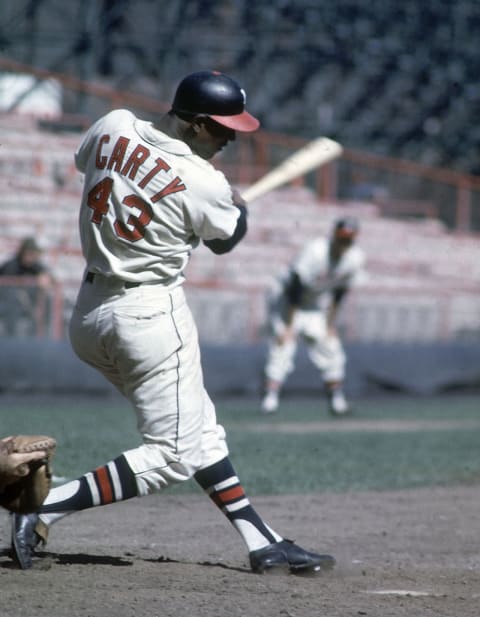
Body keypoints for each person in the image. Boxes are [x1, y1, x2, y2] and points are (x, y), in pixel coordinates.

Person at [10, 71, 335, 574]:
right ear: (198, 124)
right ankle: (48, 505)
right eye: (224, 129)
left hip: (90, 315)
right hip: (149, 319)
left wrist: (212, 198)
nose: (230, 139)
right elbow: (226, 240)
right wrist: (237, 210)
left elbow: (89, 165)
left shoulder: (113, 123)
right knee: (173, 454)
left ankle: (262, 542)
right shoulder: (207, 182)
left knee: (200, 433)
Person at [260, 217, 366, 415]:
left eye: (348, 240)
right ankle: (270, 398)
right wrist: (289, 326)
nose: (344, 244)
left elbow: (339, 293)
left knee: (330, 347)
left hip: (314, 302)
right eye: (342, 238)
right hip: (286, 299)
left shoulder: (355, 258)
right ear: (334, 235)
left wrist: (330, 324)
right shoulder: (316, 251)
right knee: (283, 345)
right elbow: (295, 288)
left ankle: (336, 400)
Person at [0, 237, 54, 336]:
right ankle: (11, 337)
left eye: (34, 254)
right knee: (14, 299)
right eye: (30, 253)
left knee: (47, 300)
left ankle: (42, 334)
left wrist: (45, 277)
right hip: (9, 303)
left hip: (27, 302)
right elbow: (8, 288)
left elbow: (48, 276)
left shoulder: (35, 266)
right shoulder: (11, 266)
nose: (33, 256)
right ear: (23, 253)